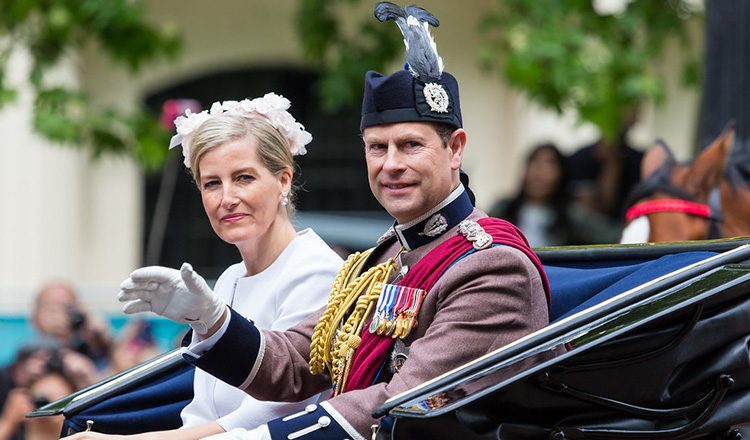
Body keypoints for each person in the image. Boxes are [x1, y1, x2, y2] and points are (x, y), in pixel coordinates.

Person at [65, 3, 550, 439]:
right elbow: (300, 364)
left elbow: (402, 405)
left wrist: (259, 438)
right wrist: (212, 320)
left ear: (455, 149)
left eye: (410, 145)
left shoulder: (489, 267)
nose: (391, 164)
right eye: (377, 148)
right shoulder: (386, 257)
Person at [68, 93, 344, 439]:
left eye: (244, 178)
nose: (227, 198)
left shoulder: (316, 270)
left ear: (283, 181)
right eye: (212, 183)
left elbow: (269, 415)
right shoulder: (230, 278)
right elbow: (201, 410)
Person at [490, 143, 620, 246]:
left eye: (549, 164)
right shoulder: (504, 209)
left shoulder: (571, 215)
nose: (539, 172)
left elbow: (612, 236)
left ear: (561, 174)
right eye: (535, 162)